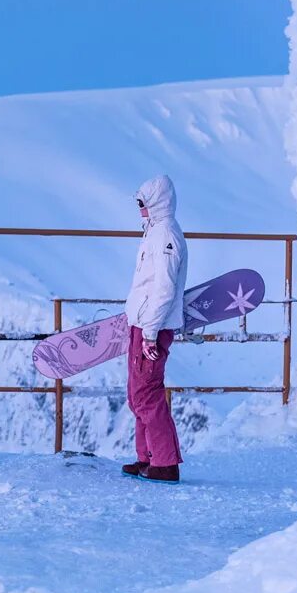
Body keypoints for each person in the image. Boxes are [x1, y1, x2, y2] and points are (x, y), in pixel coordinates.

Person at [122, 174, 188, 482]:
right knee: (137, 394)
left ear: (156, 203)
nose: (139, 209)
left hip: (153, 326)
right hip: (142, 323)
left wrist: (149, 331)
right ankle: (146, 456)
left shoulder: (165, 236)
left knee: (147, 394)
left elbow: (164, 288)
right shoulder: (153, 233)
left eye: (142, 203)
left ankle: (165, 462)